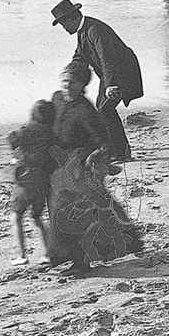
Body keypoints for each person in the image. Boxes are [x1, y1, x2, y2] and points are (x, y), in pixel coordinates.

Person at [46, 61, 144, 275]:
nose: (66, 86)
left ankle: (82, 262)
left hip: (83, 167)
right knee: (79, 208)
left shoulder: (85, 109)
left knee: (78, 215)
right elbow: (47, 124)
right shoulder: (57, 99)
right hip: (61, 167)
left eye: (71, 82)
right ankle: (61, 256)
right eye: (64, 80)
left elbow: (103, 140)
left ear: (82, 84)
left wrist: (96, 158)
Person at [52, 0, 143, 162]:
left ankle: (121, 152)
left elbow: (107, 58)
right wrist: (68, 72)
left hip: (123, 74)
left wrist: (110, 85)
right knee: (102, 109)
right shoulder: (83, 31)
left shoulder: (95, 30)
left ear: (71, 19)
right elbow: (80, 57)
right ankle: (116, 149)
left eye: (63, 24)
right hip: (112, 74)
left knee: (105, 110)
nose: (64, 29)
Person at [7, 99, 56, 265]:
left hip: (25, 180)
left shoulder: (28, 130)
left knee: (16, 216)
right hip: (42, 182)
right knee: (37, 217)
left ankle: (21, 255)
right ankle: (48, 253)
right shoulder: (51, 133)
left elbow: (12, 140)